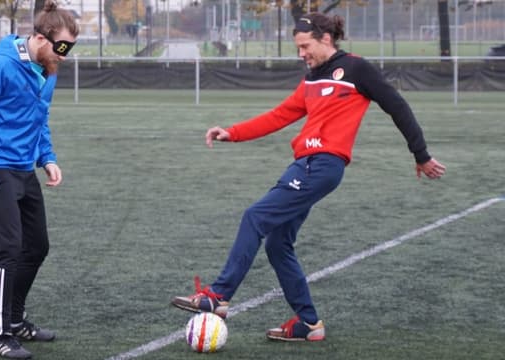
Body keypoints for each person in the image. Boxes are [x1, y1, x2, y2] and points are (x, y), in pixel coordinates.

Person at [171, 12, 446, 342]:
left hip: (323, 166)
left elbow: (397, 106)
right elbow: (280, 115)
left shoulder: (357, 69)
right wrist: (232, 132)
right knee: (277, 244)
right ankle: (309, 324)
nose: (301, 53)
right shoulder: (312, 78)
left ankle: (218, 296)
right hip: (304, 165)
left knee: (255, 217)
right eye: (298, 48)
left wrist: (421, 154)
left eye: (305, 46)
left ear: (325, 39)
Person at [0, 1, 79, 358]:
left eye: (71, 48)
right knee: (8, 250)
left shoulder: (47, 69)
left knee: (37, 248)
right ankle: (0, 334)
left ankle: (17, 318)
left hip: (25, 169)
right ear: (40, 38)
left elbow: (39, 119)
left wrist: (47, 158)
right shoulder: (0, 67)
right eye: (62, 47)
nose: (65, 56)